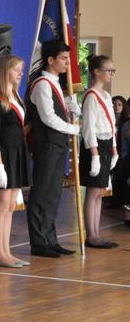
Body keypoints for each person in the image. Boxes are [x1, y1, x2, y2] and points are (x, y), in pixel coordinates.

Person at [25, 39, 81, 258]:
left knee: (54, 193)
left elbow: (61, 112)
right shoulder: (42, 84)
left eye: (68, 58)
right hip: (46, 143)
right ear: (50, 60)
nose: (68, 62)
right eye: (63, 58)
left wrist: (72, 108)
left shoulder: (57, 83)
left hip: (58, 144)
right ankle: (38, 242)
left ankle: (50, 239)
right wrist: (73, 129)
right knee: (41, 192)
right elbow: (48, 117)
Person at [0, 54, 30, 267]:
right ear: (6, 71)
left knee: (11, 206)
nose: (21, 73)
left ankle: (7, 252)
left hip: (17, 154)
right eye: (16, 70)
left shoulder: (16, 98)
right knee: (2, 205)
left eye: (21, 69)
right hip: (4, 156)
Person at [80, 55, 119, 248]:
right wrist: (95, 155)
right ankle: (91, 235)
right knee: (93, 190)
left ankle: (96, 233)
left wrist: (114, 149)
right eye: (108, 70)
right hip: (94, 147)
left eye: (112, 70)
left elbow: (111, 125)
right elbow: (88, 127)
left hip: (106, 145)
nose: (111, 73)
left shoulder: (106, 96)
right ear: (96, 72)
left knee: (100, 191)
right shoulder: (91, 96)